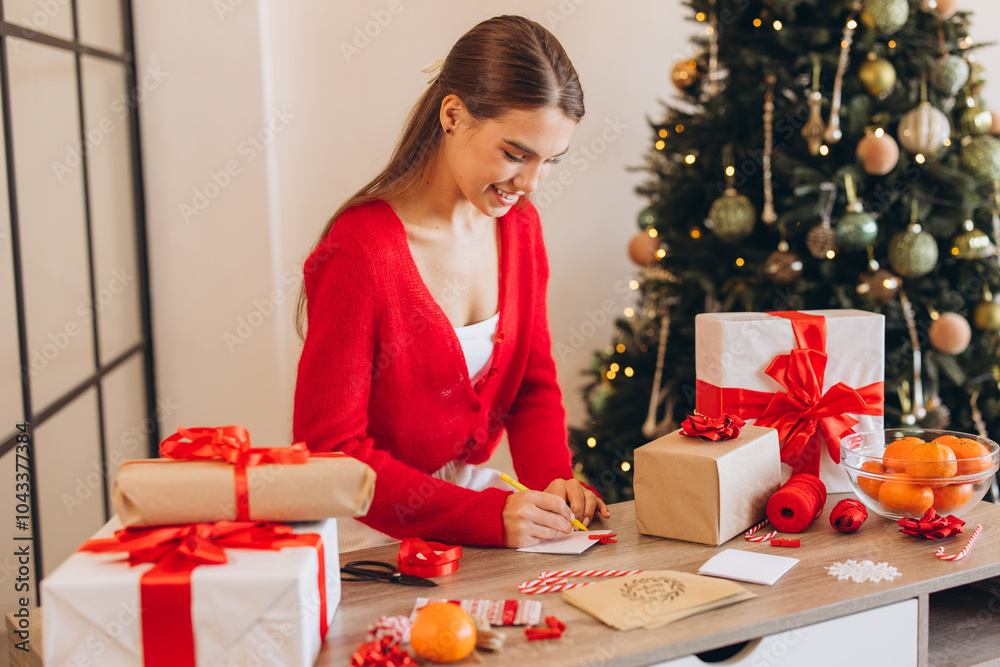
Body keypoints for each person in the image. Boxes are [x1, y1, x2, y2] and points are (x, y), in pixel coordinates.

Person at [293, 15, 608, 551]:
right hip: (366, 524)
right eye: (515, 154)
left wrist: (554, 483)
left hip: (465, 507)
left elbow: (532, 385)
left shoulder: (519, 228)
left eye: (550, 161)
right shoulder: (359, 253)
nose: (531, 184)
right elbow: (332, 452)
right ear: (454, 115)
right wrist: (485, 517)